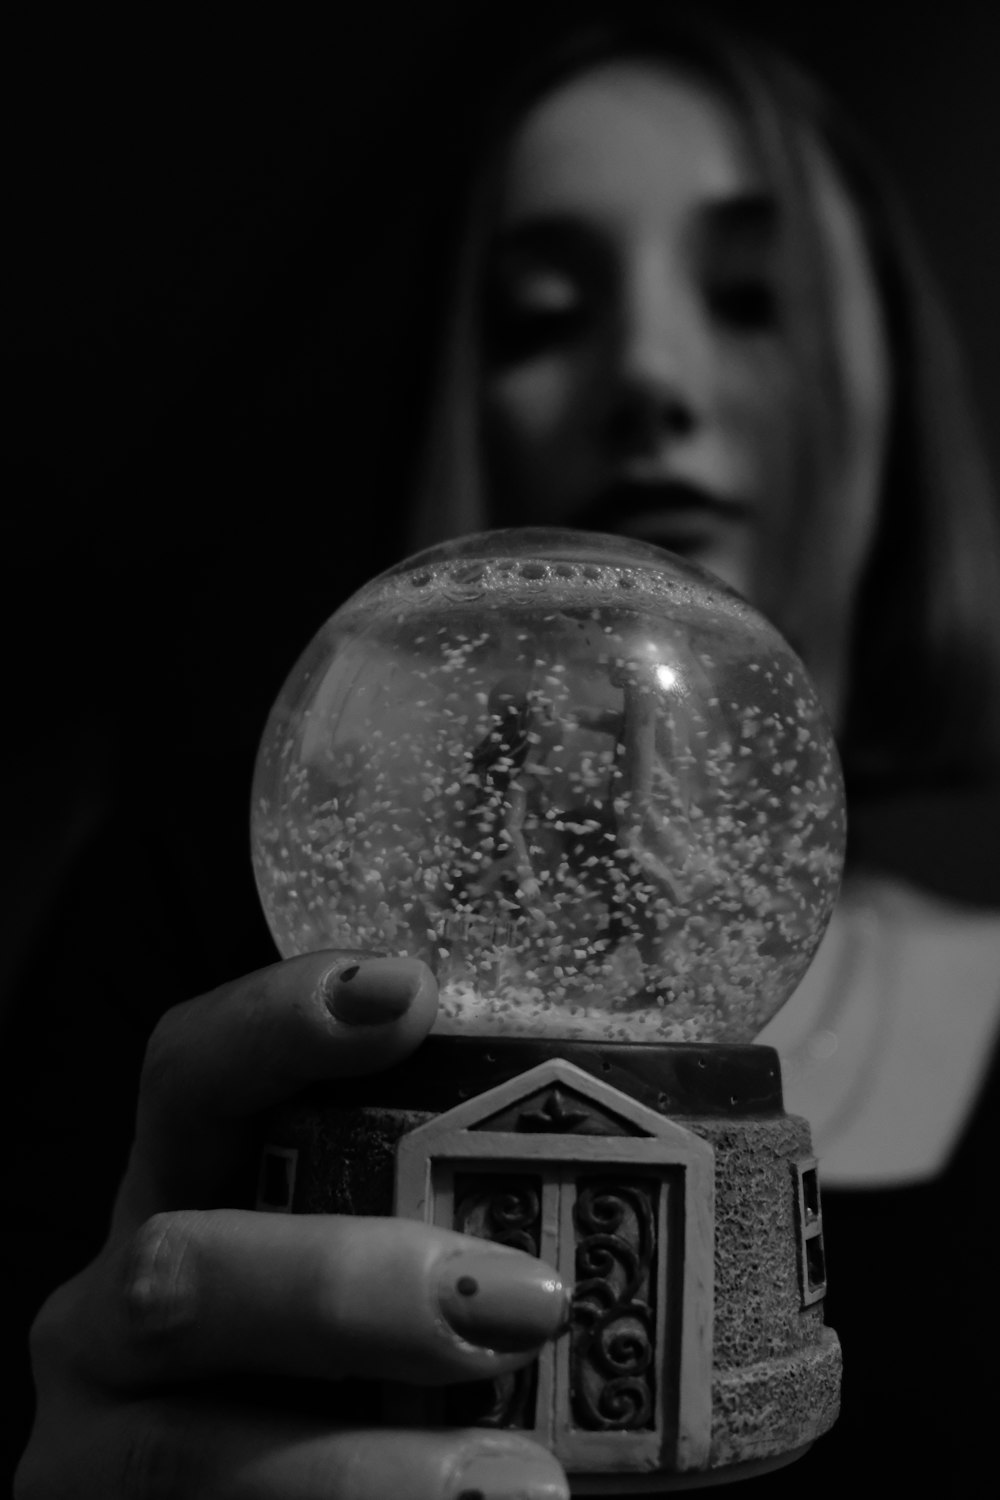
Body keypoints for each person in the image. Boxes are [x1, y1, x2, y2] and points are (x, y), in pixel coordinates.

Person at [10, 3, 1000, 1495]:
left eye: (750, 292)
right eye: (540, 315)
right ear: (465, 422)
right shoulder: (201, 939)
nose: (649, 378)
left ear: (890, 393)